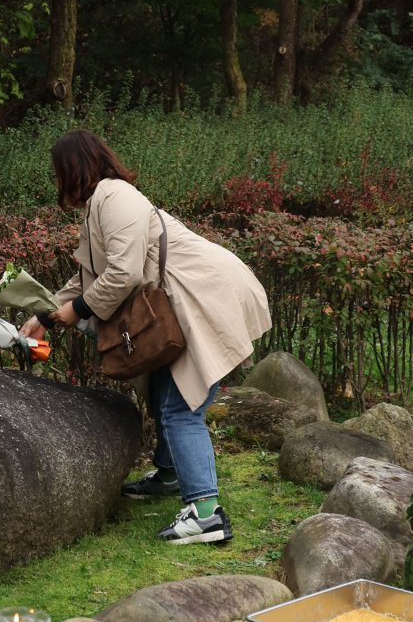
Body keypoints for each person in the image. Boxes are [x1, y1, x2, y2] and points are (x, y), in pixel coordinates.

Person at [20, 129, 271, 545]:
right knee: (162, 388)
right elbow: (89, 277)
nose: (57, 181)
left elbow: (124, 273)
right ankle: (172, 474)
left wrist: (74, 311)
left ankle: (206, 514)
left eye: (58, 172)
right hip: (187, 298)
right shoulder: (102, 203)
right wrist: (46, 316)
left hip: (204, 294)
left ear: (73, 168)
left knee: (180, 407)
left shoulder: (115, 197)